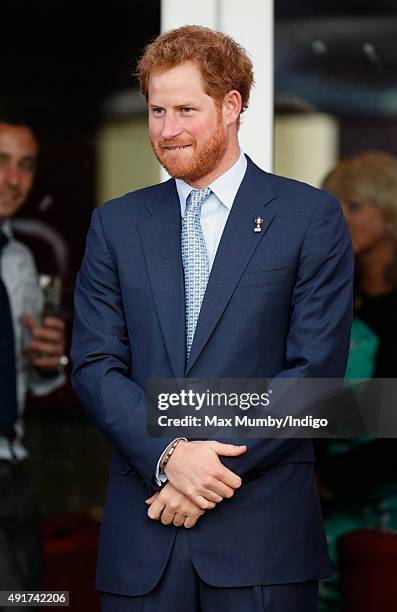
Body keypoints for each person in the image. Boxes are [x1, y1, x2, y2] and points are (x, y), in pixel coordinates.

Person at [71, 26, 353, 612]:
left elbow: (316, 374)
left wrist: (206, 470)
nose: (167, 130)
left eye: (185, 110)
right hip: (145, 536)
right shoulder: (115, 225)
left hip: (262, 541)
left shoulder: (309, 217)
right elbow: (95, 366)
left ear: (231, 107)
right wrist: (171, 455)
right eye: (156, 111)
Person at [316, 150, 397, 611]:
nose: (340, 217)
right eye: (335, 205)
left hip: (381, 501)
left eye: (355, 206)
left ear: (389, 213)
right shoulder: (336, 299)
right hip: (331, 499)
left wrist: (328, 479)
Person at [0, 109, 67, 594]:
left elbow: (25, 372)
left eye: (25, 165)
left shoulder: (20, 260)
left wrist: (48, 361)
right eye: (0, 161)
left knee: (25, 598)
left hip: (10, 466)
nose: (13, 179)